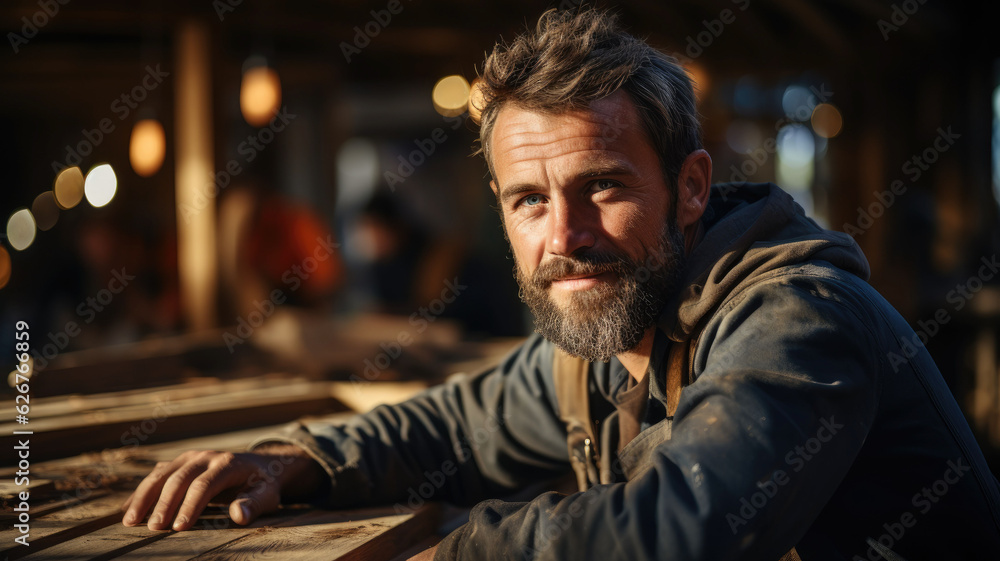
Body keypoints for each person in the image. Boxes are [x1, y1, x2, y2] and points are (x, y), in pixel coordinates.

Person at [121, 8, 1000, 560]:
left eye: (604, 187)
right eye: (529, 200)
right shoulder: (603, 344)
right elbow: (457, 423)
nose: (564, 239)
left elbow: (683, 532)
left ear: (691, 187)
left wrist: (452, 549)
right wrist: (304, 459)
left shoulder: (798, 320)